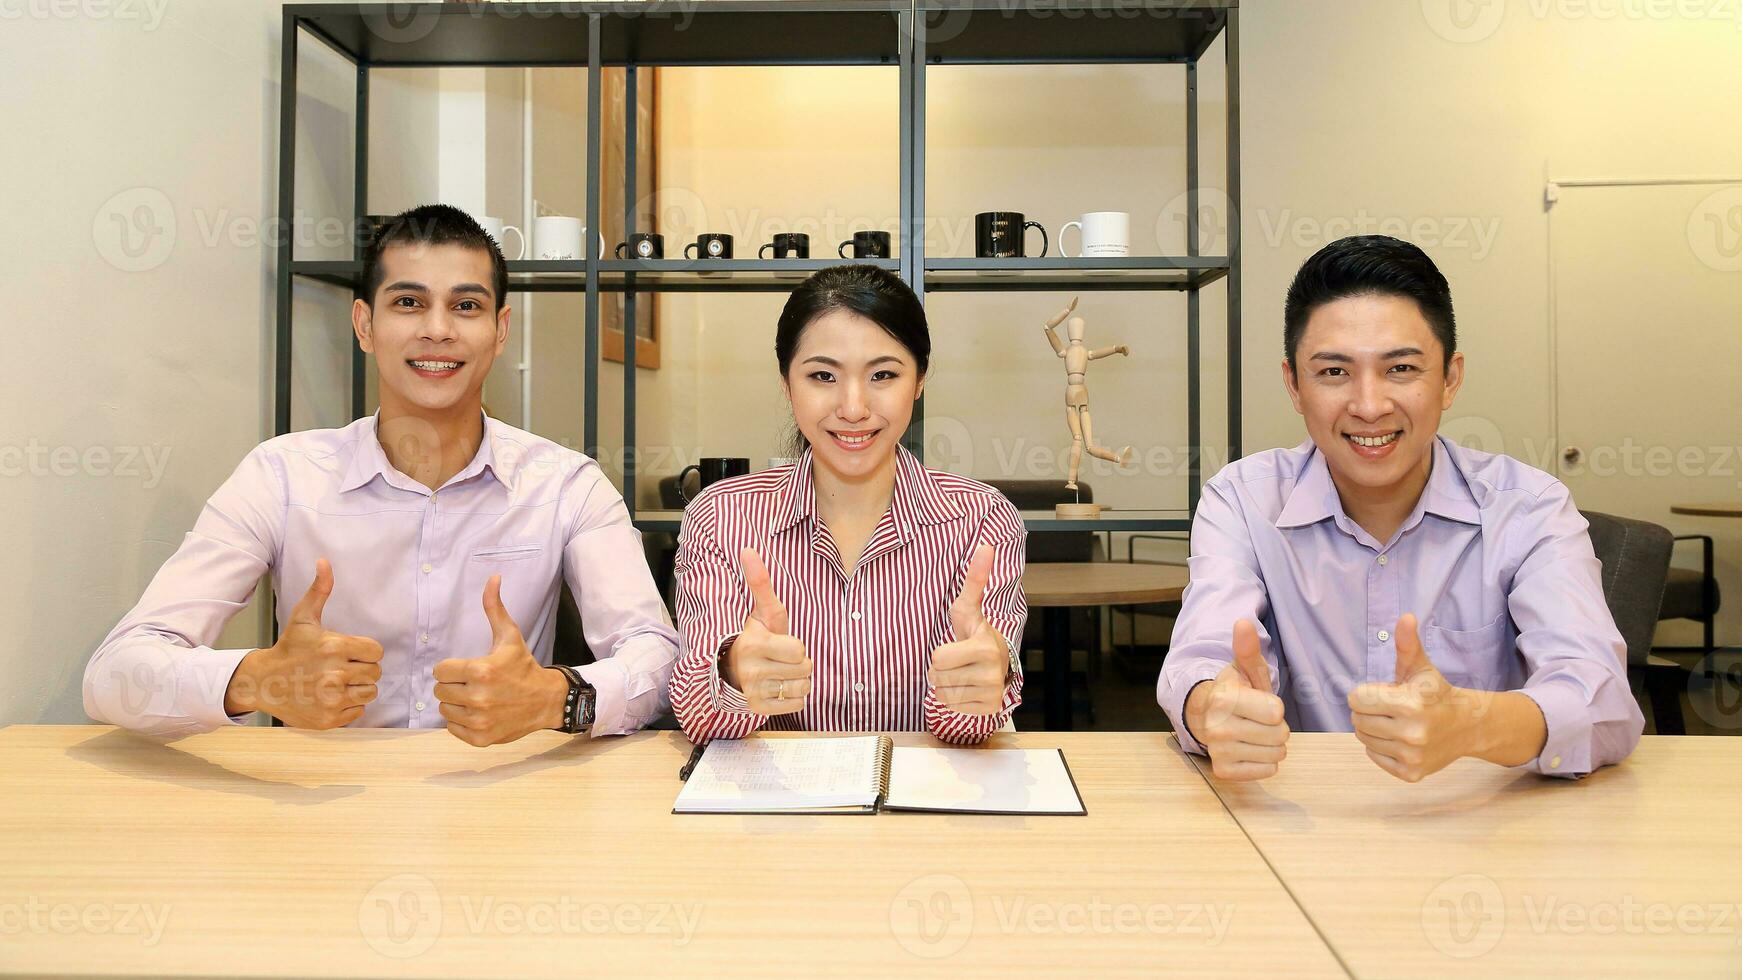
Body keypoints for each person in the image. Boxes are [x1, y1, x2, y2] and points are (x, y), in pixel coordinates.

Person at [84, 204, 679, 744]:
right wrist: (253, 680)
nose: (438, 329)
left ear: (500, 330)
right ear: (365, 325)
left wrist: (557, 697)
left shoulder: (565, 484)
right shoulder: (281, 476)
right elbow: (113, 673)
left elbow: (656, 657)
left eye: (466, 306)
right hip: (317, 809)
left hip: (501, 798)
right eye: (409, 302)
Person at [1157, 235, 1643, 782]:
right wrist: (1211, 709)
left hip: (1491, 829)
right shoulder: (1244, 500)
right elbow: (1201, 660)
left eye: (1402, 369)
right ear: (1294, 384)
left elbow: (1603, 702)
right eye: (1334, 372)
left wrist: (1473, 723)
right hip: (1304, 823)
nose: (1369, 406)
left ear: (1450, 378)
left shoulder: (1528, 508)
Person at [668, 264, 1027, 744]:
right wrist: (733, 675)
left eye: (883, 374)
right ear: (786, 384)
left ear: (919, 381)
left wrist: (976, 685)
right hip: (781, 806)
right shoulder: (722, 516)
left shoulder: (982, 518)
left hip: (924, 804)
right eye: (822, 375)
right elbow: (699, 721)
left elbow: (968, 731)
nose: (854, 407)